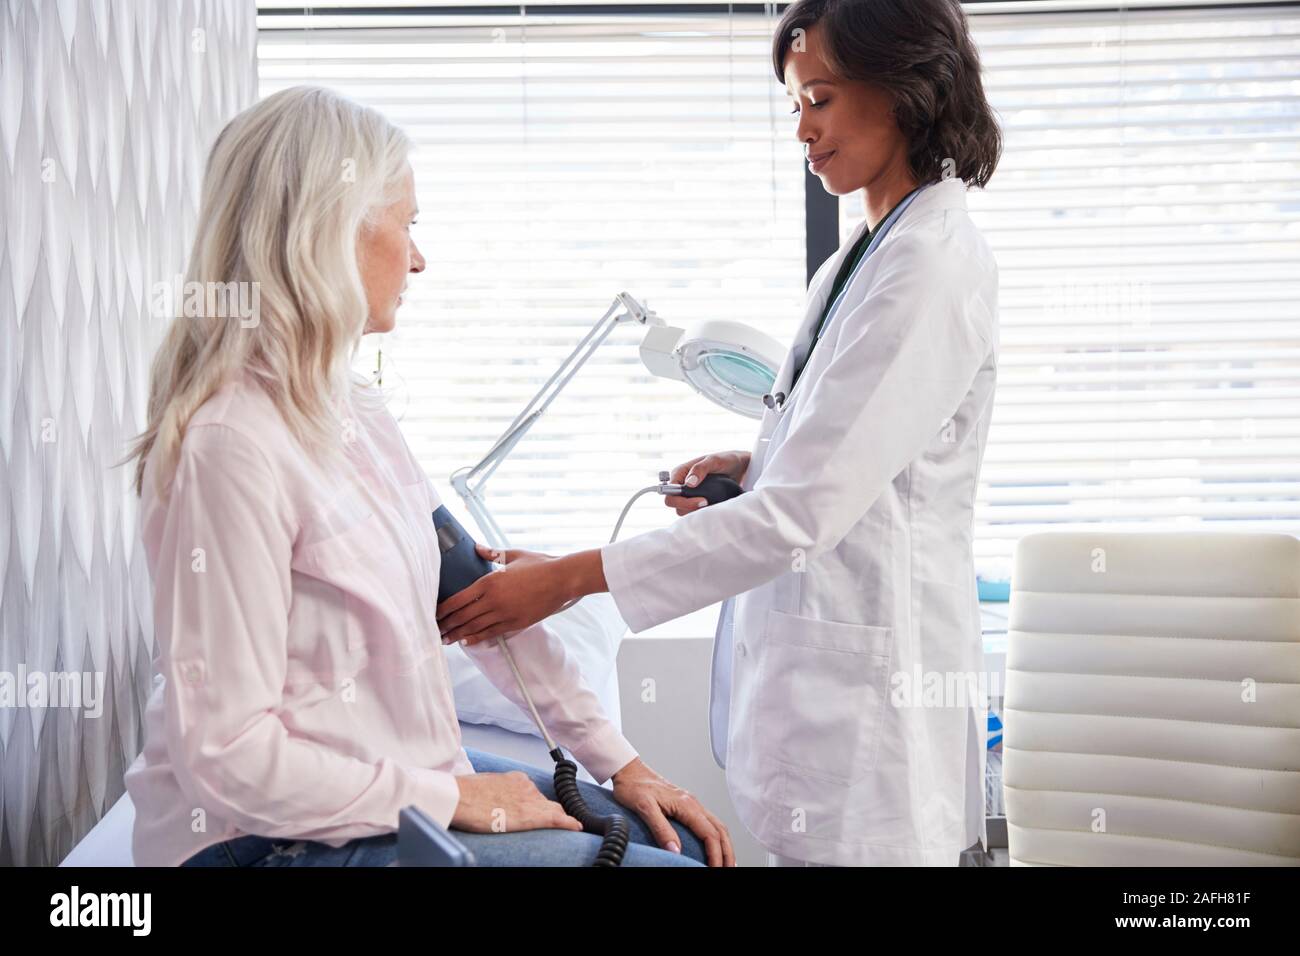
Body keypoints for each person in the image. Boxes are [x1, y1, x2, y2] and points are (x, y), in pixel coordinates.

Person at [437, 0, 1002, 867]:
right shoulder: (858, 258)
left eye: (821, 99)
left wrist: (567, 582)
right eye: (794, 108)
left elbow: (801, 516)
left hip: (870, 713)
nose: (804, 131)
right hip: (821, 692)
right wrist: (759, 460)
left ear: (903, 90)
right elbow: (852, 457)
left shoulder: (928, 262)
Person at [120, 85, 734, 867]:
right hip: (263, 842)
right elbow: (228, 757)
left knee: (665, 839)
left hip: (396, 787)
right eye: (407, 225)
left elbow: (475, 604)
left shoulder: (353, 412)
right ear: (330, 229)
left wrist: (623, 764)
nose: (417, 257)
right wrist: (456, 798)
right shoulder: (229, 445)